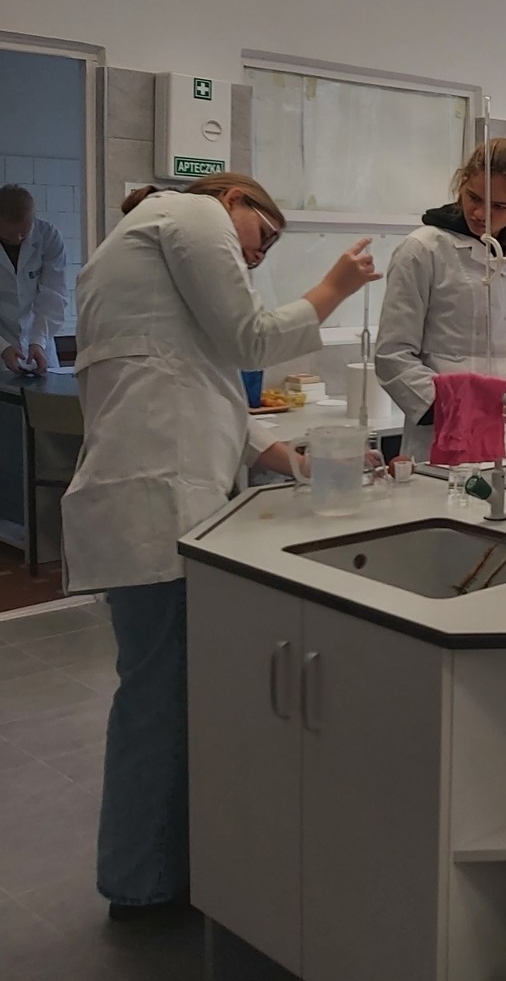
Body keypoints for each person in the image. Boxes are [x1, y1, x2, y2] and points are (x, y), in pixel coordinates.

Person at [62, 175, 378, 918]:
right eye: (262, 237)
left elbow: (204, 388)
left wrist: (296, 461)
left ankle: (159, 869)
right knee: (159, 700)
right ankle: (143, 885)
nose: (257, 256)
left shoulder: (142, 249)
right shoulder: (192, 212)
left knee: (162, 695)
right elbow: (251, 340)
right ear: (234, 197)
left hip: (151, 499)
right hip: (157, 505)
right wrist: (334, 287)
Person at [376, 139, 506, 461]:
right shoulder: (423, 249)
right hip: (445, 426)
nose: (480, 214)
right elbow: (392, 354)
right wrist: (453, 406)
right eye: (474, 197)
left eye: (499, 207)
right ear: (462, 183)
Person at [0, 184, 68, 374]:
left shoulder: (49, 237)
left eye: (25, 232)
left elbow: (54, 295)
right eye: (8, 236)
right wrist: (3, 347)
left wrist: (38, 341)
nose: (18, 238)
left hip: (40, 344)